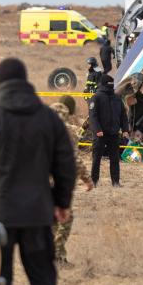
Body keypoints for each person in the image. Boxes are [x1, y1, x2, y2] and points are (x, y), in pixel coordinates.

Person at [0, 58, 76, 285]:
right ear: (25, 81)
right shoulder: (48, 118)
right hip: (38, 213)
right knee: (43, 281)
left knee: (0, 282)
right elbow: (66, 163)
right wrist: (61, 202)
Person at [49, 101, 94, 266]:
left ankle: (56, 257)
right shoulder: (67, 132)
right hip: (59, 182)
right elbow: (75, 158)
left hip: (40, 183)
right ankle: (56, 254)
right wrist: (87, 179)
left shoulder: (38, 130)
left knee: (52, 219)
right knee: (65, 218)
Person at [88, 74, 129, 187]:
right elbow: (93, 116)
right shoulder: (96, 97)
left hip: (114, 134)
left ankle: (115, 182)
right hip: (100, 134)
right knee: (96, 159)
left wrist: (125, 129)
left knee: (115, 159)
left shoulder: (117, 98)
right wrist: (97, 130)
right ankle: (94, 181)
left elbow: (123, 116)